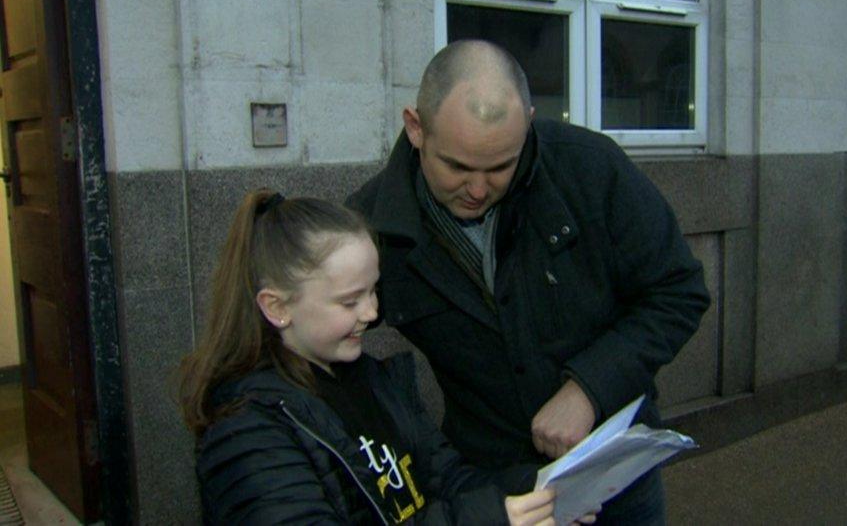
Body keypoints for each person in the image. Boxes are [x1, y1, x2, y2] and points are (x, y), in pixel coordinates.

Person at [347, 40, 710, 523]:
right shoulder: (371, 229)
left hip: (615, 472)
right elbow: (316, 335)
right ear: (416, 128)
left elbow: (678, 290)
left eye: (500, 166)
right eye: (456, 166)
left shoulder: (592, 169)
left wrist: (588, 388)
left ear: (529, 123)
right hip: (494, 488)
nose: (477, 190)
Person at [178, 189, 585, 525]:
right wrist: (489, 519)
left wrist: (538, 491)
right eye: (350, 301)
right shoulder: (246, 429)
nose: (372, 314)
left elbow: (446, 476)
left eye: (373, 291)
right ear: (277, 307)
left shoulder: (371, 378)